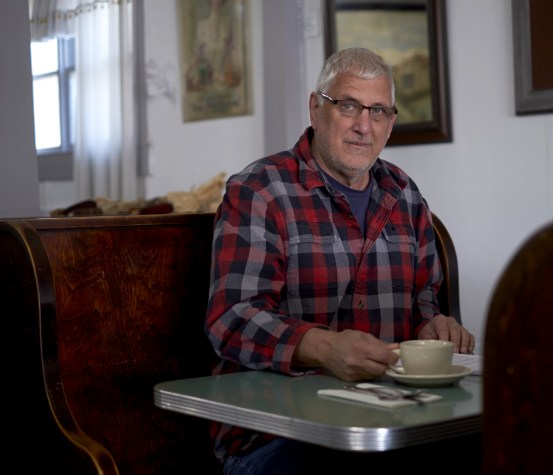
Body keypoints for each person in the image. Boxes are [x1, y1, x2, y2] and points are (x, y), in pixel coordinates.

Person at [205, 47, 479, 475]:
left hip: (390, 420)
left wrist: (433, 324)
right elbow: (233, 319)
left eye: (379, 111)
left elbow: (425, 297)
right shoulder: (260, 191)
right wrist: (324, 348)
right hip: (279, 433)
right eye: (348, 105)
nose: (363, 126)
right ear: (316, 108)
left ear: (391, 122)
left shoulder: (405, 194)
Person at [184, 0, 241, 91]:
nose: (219, 0)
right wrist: (184, 74)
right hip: (205, 86)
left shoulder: (226, 25)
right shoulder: (202, 26)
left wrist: (239, 71)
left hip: (223, 84)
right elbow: (196, 56)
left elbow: (234, 54)